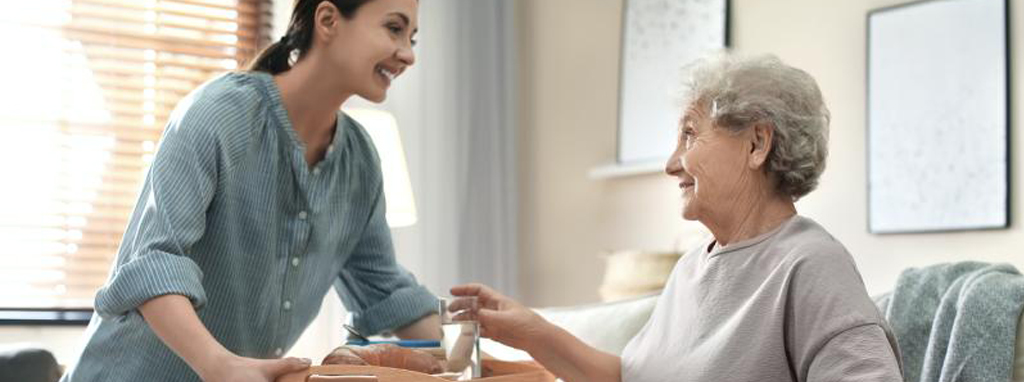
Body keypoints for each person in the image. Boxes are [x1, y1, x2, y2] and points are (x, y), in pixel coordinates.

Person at [451, 54, 904, 382]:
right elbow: (632, 378)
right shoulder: (693, 268)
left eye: (690, 134)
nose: (671, 163)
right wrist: (532, 331)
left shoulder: (809, 266)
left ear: (757, 144)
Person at [60, 1, 439, 381]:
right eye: (394, 29)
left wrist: (477, 341)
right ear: (327, 20)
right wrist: (219, 365)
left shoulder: (360, 161)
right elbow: (154, 263)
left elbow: (386, 291)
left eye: (412, 38)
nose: (407, 54)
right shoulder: (218, 113)